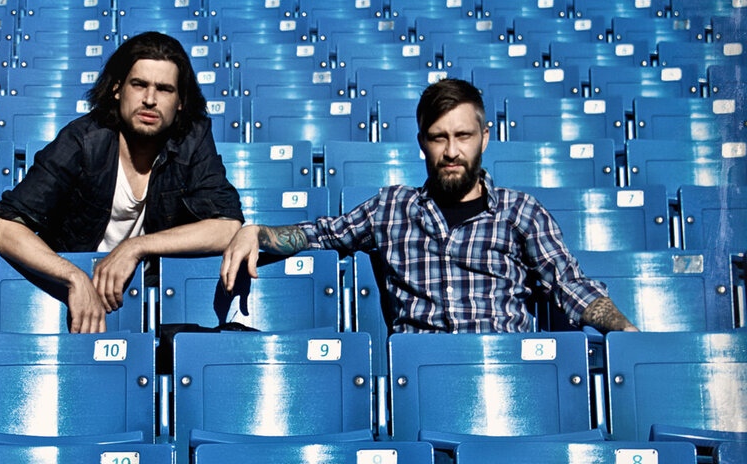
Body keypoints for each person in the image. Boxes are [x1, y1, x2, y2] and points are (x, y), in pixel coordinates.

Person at [221, 78, 639, 334]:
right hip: (424, 373)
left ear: (485, 137)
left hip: (507, 368)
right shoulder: (392, 208)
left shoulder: (521, 212)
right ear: (422, 141)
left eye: (463, 136)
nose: (452, 151)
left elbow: (570, 285)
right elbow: (322, 234)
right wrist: (255, 232)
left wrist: (623, 327)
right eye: (439, 137)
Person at [0, 31, 244, 333]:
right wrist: (73, 276)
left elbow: (226, 226)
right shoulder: (82, 141)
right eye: (139, 85)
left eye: (164, 89)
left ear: (180, 102)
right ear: (117, 89)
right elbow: (4, 225)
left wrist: (135, 247)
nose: (150, 100)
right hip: (72, 299)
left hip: (152, 301)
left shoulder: (193, 138)